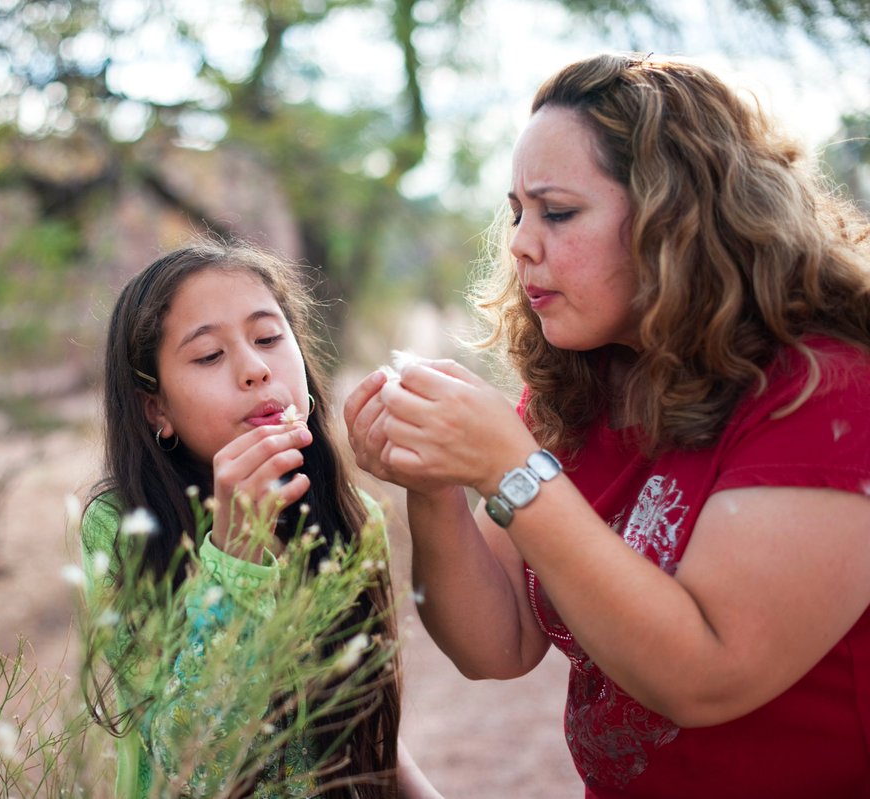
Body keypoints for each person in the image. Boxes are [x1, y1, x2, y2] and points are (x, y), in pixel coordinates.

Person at [344, 53, 870, 798]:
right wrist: (434, 486)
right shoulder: (581, 388)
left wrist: (509, 469)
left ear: (677, 217)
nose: (522, 242)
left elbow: (707, 674)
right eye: (518, 211)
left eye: (557, 212)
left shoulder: (828, 390)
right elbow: (497, 645)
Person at [80, 240, 442, 798]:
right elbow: (191, 766)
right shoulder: (121, 528)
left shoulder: (353, 515)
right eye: (208, 356)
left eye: (269, 338)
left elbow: (362, 729)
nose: (254, 369)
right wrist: (236, 552)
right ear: (158, 409)